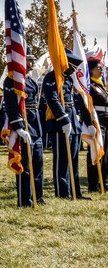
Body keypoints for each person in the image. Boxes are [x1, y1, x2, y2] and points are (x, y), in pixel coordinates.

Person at [40, 51, 88, 199]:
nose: (73, 70)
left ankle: (75, 191)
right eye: (71, 67)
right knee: (62, 159)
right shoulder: (52, 77)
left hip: (72, 120)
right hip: (59, 122)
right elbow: (52, 99)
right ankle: (62, 192)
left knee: (73, 159)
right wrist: (63, 119)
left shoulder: (67, 79)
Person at [2, 74, 44, 207]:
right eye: (28, 59)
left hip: (35, 125)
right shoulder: (11, 80)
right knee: (25, 165)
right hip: (23, 124)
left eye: (31, 59)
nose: (30, 62)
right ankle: (25, 201)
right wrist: (19, 127)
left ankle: (38, 197)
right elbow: (11, 104)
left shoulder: (31, 80)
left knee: (38, 164)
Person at [87, 56, 108, 193]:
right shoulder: (90, 87)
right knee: (95, 153)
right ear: (91, 70)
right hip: (98, 121)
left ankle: (104, 182)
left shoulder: (100, 85)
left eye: (101, 68)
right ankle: (93, 184)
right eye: (98, 68)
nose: (101, 70)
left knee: (106, 154)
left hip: (106, 120)